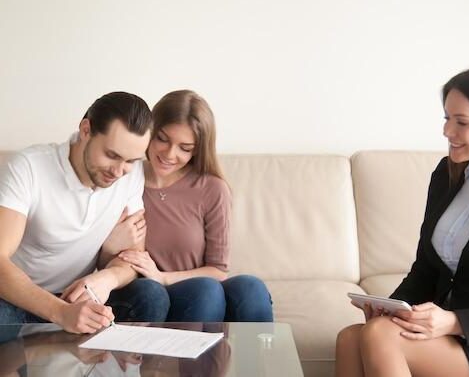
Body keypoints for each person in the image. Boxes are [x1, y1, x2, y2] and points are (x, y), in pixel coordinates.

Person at [335, 62, 469, 377]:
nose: (447, 132)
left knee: (380, 337)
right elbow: (426, 267)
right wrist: (392, 307)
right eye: (446, 118)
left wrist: (456, 322)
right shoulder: (448, 175)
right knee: (350, 339)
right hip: (445, 330)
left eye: (462, 122)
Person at [0, 92, 168, 334]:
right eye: (112, 155)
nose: (119, 171)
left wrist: (107, 278)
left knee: (151, 296)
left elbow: (133, 260)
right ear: (86, 130)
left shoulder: (131, 175)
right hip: (22, 298)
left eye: (131, 160)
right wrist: (60, 312)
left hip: (81, 299)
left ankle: (119, 369)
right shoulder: (29, 168)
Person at [102, 89, 273, 322]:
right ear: (149, 132)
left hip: (189, 290)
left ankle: (257, 359)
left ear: (198, 150)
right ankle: (193, 357)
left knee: (249, 287)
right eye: (163, 139)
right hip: (145, 296)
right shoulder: (124, 176)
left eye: (185, 148)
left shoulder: (212, 189)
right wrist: (112, 246)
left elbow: (217, 270)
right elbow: (103, 261)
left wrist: (162, 277)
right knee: (205, 291)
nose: (169, 154)